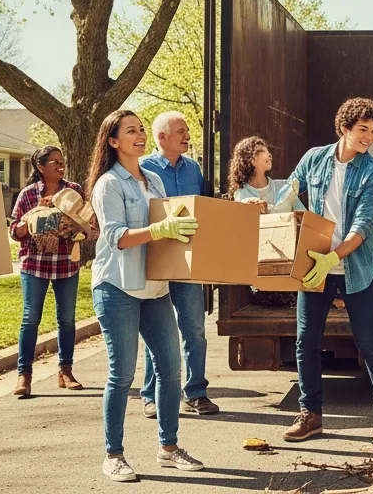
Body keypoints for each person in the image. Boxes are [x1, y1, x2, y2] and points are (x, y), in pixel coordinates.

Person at [88, 109, 206, 482]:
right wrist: (161, 229)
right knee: (121, 375)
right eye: (131, 131)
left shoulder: (153, 178)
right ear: (113, 141)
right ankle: (114, 455)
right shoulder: (109, 184)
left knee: (171, 370)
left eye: (141, 129)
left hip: (155, 288)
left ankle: (169, 447)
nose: (139, 135)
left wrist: (180, 227)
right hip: (118, 287)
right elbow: (116, 237)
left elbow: (170, 223)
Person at [279, 97, 373, 445]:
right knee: (306, 341)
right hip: (312, 265)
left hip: (352, 268)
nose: (368, 137)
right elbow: (290, 188)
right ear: (344, 128)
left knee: (370, 343)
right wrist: (279, 201)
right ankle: (311, 415)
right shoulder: (315, 158)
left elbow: (363, 226)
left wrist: (334, 258)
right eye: (362, 129)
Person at [137, 111, 217, 417]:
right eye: (180, 131)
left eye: (187, 131)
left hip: (189, 261)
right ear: (162, 138)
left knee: (194, 329)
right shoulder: (144, 168)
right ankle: (150, 395)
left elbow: (204, 208)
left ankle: (196, 392)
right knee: (157, 330)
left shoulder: (193, 168)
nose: (187, 136)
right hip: (157, 257)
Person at [9, 145, 87, 397]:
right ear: (40, 167)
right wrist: (34, 217)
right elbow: (15, 231)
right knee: (30, 319)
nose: (60, 165)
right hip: (35, 263)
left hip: (66, 262)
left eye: (61, 161)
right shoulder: (28, 194)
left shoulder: (73, 191)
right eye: (54, 162)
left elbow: (87, 226)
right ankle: (24, 375)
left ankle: (65, 371)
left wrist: (71, 225)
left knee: (67, 319)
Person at [229, 136, 300, 213]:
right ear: (251, 159)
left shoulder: (285, 187)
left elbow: (303, 216)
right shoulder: (241, 193)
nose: (270, 155)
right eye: (262, 151)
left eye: (268, 151)